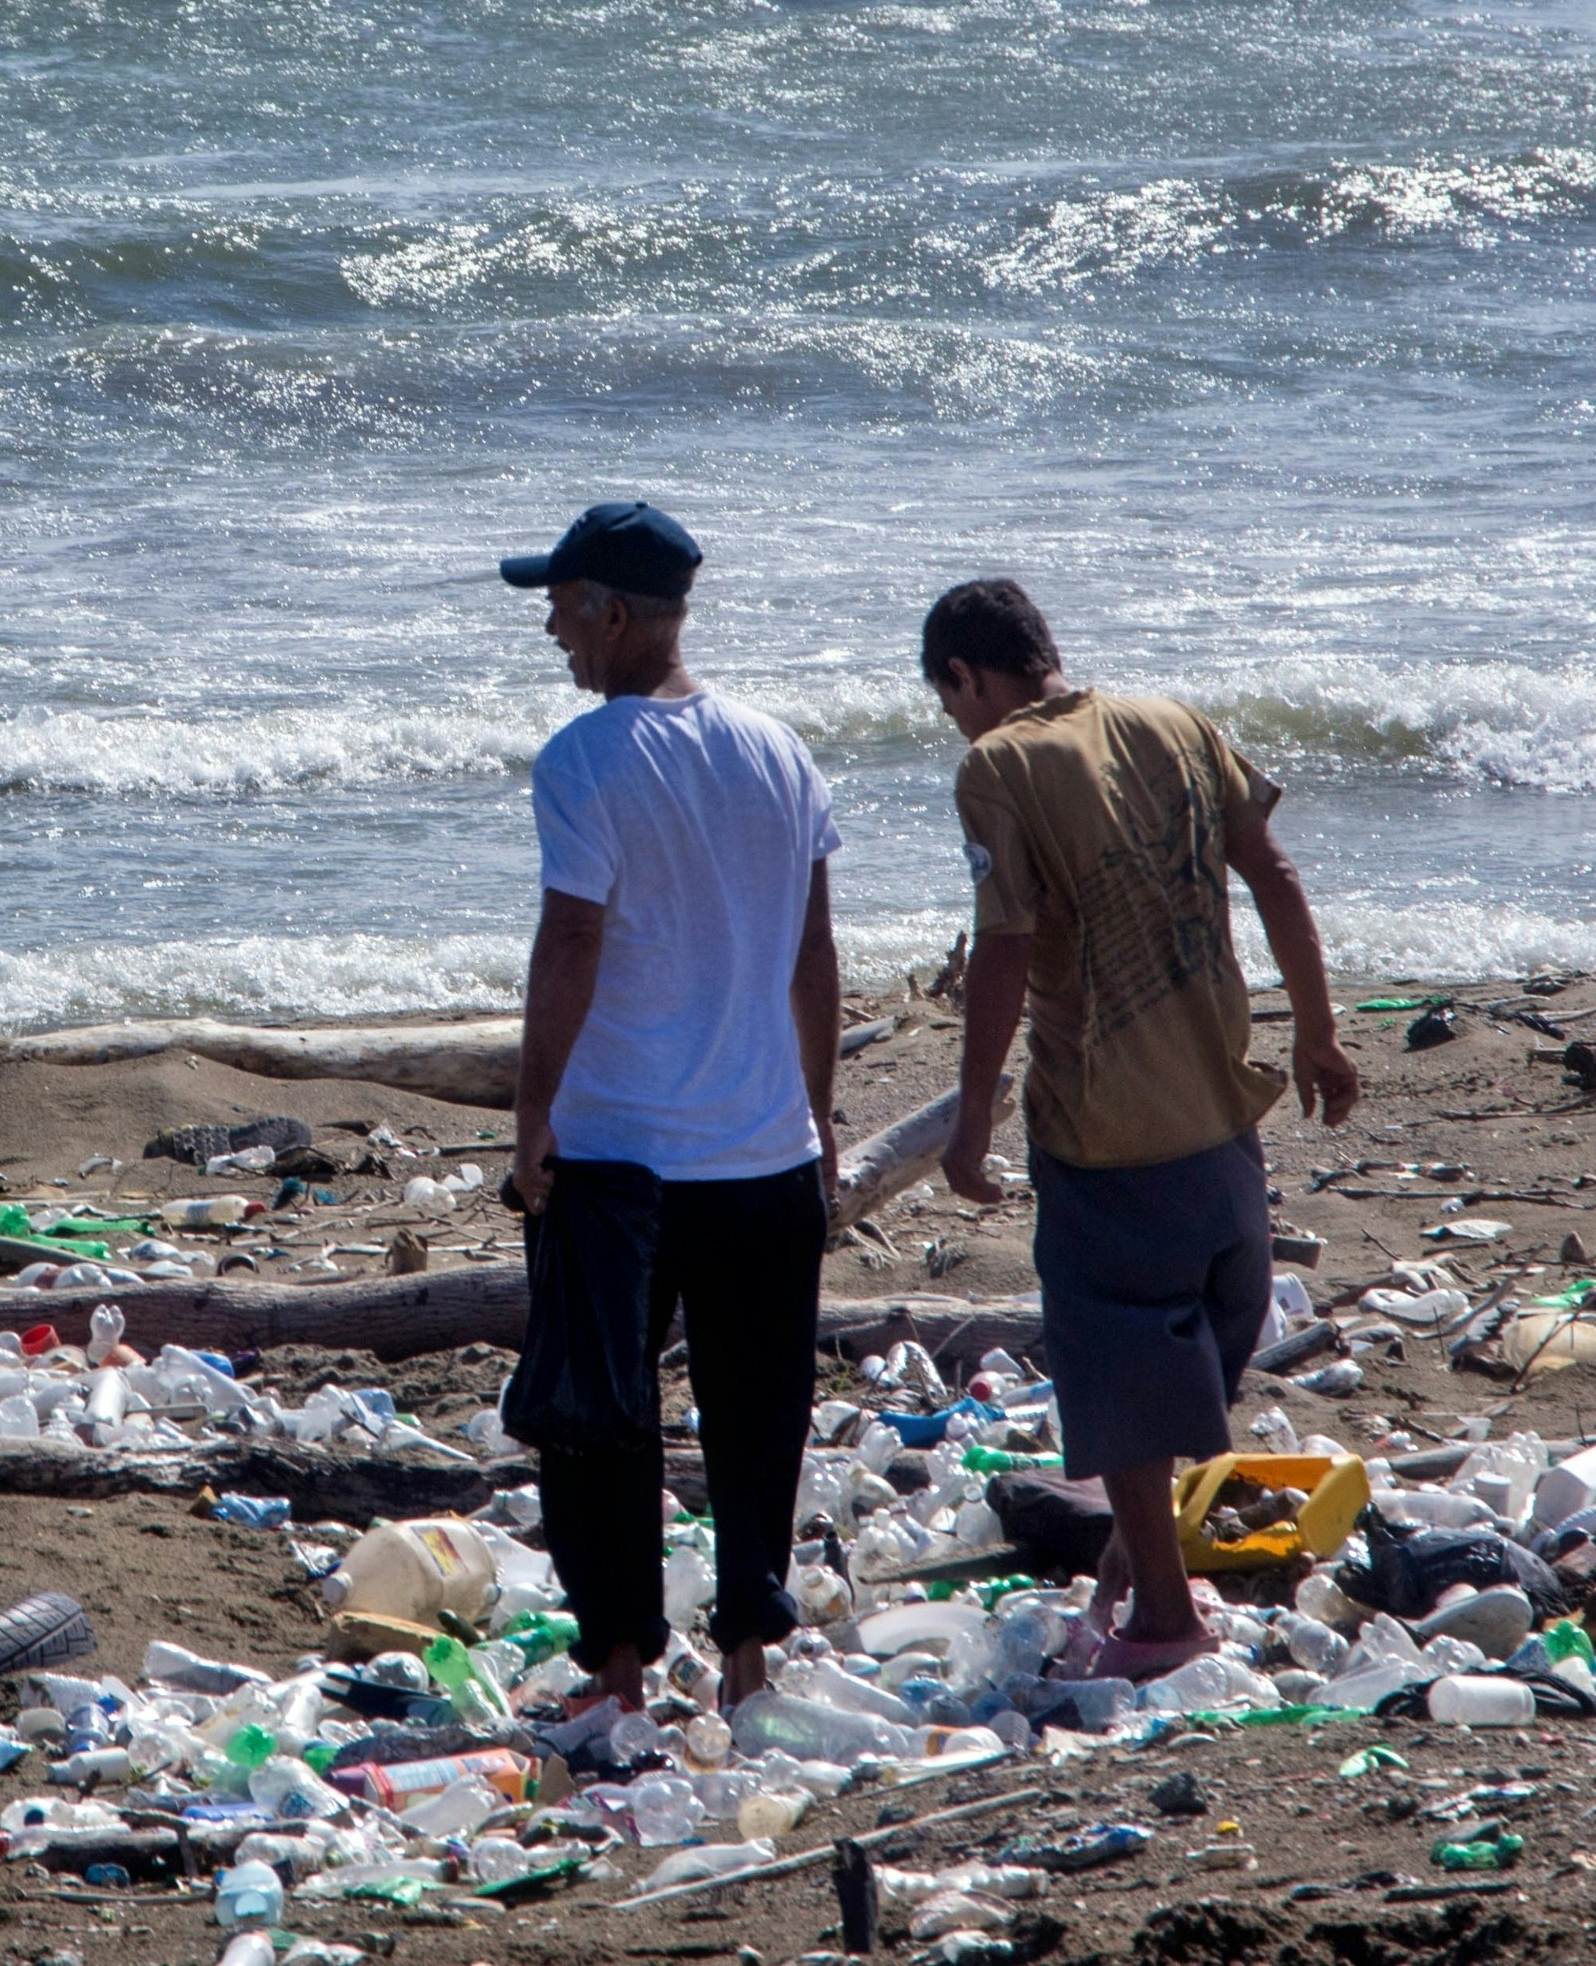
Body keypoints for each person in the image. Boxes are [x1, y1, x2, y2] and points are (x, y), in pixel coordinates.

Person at [919, 576, 1356, 1680]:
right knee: (1194, 1347)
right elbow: (1273, 872)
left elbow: (1004, 948)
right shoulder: (1175, 722)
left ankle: (1165, 1619)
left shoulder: (996, 766)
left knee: (1112, 1367)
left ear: (967, 675)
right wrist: (1316, 1030)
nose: (955, 721)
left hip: (1101, 1121)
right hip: (1217, 1106)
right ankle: (1146, 1548)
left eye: (948, 698)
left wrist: (968, 1118)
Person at [492, 500, 844, 1718]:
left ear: (615, 612)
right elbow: (814, 952)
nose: (551, 629)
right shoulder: (776, 747)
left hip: (617, 1154)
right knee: (758, 1416)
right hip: (760, 1152)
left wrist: (530, 1111)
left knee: (598, 1418)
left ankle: (623, 1672)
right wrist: (820, 1106)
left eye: (562, 605)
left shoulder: (586, 759)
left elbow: (572, 937)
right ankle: (748, 1659)